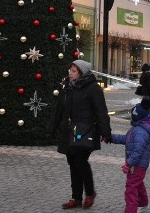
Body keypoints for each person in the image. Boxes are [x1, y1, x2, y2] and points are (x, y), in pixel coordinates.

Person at [49, 59, 112, 210]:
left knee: (80, 161)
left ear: (82, 73)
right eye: (70, 70)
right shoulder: (67, 88)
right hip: (69, 131)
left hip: (85, 131)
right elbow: (59, 110)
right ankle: (76, 198)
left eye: (74, 71)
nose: (70, 73)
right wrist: (51, 128)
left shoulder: (93, 88)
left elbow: (101, 111)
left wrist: (106, 132)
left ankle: (89, 193)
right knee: (72, 163)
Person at [112, 99, 150, 213]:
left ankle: (131, 210)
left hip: (137, 165)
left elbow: (138, 150)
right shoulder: (137, 129)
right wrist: (110, 138)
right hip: (139, 165)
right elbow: (126, 139)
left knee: (131, 187)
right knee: (138, 183)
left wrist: (129, 163)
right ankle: (143, 202)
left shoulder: (139, 132)